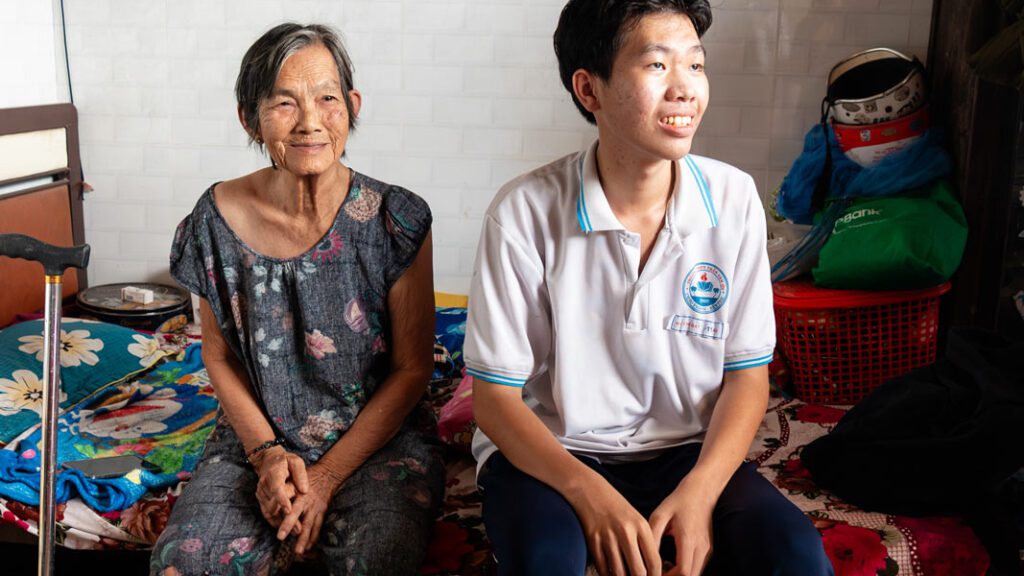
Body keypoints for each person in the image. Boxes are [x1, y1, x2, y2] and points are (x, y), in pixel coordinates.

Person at [464, 1, 834, 575]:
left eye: (696, 65)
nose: (685, 89)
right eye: (658, 66)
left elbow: (747, 376)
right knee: (546, 563)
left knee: (796, 557)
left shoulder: (733, 201)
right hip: (556, 452)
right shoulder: (523, 214)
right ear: (589, 90)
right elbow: (495, 400)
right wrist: (591, 497)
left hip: (686, 450)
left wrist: (702, 491)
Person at [151, 23, 444, 576]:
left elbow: (411, 370)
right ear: (250, 118)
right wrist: (265, 455)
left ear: (352, 107)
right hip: (257, 439)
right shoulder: (213, 221)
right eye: (284, 103)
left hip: (377, 439)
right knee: (183, 564)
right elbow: (217, 355)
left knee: (377, 561)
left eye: (327, 98)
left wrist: (328, 477)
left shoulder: (396, 219)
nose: (310, 121)